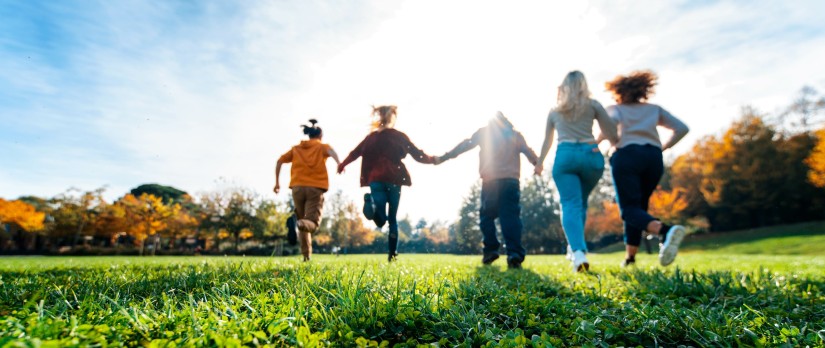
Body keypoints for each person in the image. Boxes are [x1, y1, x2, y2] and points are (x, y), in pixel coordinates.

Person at [534, 71, 619, 272]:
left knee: (571, 203)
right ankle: (575, 248)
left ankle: (578, 252)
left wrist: (539, 164)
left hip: (566, 155)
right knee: (580, 203)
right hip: (591, 155)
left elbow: (547, 141)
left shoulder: (555, 111)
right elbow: (612, 134)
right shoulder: (593, 105)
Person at [604, 70, 689, 267]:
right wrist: (663, 147)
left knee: (629, 210)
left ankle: (665, 231)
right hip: (653, 158)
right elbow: (682, 128)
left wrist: (604, 141)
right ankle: (630, 257)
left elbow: (610, 124)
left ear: (618, 91)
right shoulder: (653, 109)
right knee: (638, 208)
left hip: (626, 156)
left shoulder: (616, 108)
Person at [438, 112, 539, 269]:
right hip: (511, 181)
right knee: (510, 217)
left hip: (490, 181)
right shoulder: (515, 135)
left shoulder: (484, 133)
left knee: (486, 216)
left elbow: (466, 144)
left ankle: (491, 250)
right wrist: (537, 164)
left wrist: (444, 157)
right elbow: (528, 151)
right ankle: (514, 255)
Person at [337, 105, 437, 262]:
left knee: (380, 217)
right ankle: (392, 254)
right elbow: (417, 154)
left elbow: (355, 153)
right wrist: (432, 160)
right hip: (395, 179)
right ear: (392, 118)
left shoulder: (370, 138)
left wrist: (342, 164)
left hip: (375, 180)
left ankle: (371, 204)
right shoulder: (399, 136)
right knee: (392, 219)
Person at [275, 119, 341, 262]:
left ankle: (306, 256)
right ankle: (296, 223)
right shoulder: (322, 146)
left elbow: (279, 161)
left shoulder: (296, 149)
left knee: (304, 222)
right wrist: (339, 163)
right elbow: (332, 152)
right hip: (315, 188)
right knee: (311, 224)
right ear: (320, 136)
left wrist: (277, 183)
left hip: (297, 188)